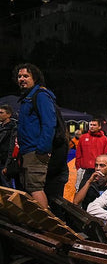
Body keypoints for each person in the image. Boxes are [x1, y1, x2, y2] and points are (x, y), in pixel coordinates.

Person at [15, 63, 68, 210]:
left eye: (26, 76)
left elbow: (48, 123)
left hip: (35, 152)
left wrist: (42, 150)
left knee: (35, 189)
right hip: (28, 152)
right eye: (19, 76)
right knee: (30, 189)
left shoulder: (40, 96)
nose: (22, 79)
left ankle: (46, 228)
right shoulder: (27, 98)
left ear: (35, 78)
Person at [75, 119, 107, 189]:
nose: (92, 127)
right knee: (79, 189)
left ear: (99, 127)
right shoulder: (83, 137)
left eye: (94, 125)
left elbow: (106, 155)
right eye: (91, 125)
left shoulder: (104, 139)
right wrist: (78, 167)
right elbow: (78, 153)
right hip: (84, 170)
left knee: (97, 190)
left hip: (98, 170)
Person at [0, 105, 16, 187]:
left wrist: (7, 165)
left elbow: (11, 147)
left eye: (1, 112)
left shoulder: (13, 128)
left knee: (7, 186)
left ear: (8, 114)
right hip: (2, 159)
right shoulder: (1, 127)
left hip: (5, 160)